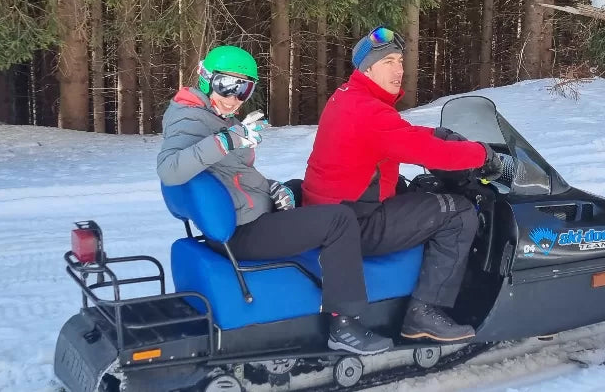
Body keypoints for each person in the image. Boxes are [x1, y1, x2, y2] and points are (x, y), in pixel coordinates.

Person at [156, 45, 394, 356]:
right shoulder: (192, 120)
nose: (234, 98)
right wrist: (227, 141)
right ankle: (345, 324)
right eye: (227, 85)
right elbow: (169, 169)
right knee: (340, 219)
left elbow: (233, 174)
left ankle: (331, 265)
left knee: (300, 189)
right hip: (244, 231)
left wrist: (272, 188)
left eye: (244, 89)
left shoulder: (210, 114)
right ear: (205, 78)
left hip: (242, 214)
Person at [303, 26, 507, 342]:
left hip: (334, 215)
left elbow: (399, 135)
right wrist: (481, 154)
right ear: (367, 68)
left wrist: (436, 134)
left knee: (421, 192)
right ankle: (424, 313)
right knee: (459, 211)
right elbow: (426, 153)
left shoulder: (350, 98)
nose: (399, 69)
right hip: (355, 225)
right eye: (388, 62)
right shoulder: (368, 111)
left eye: (400, 60)